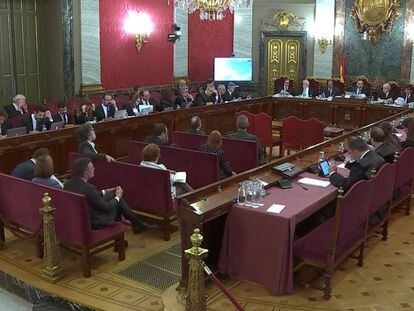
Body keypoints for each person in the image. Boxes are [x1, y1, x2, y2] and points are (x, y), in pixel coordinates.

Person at [64, 157, 155, 232]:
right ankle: (135, 226)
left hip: (81, 219)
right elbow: (106, 207)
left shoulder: (68, 184)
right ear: (85, 172)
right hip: (96, 221)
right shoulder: (89, 188)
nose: (94, 168)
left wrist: (105, 191)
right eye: (92, 167)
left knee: (112, 194)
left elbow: (90, 197)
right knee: (118, 202)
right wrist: (118, 197)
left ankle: (137, 224)